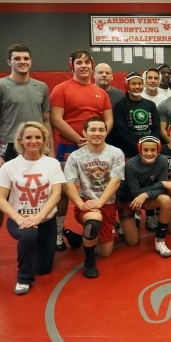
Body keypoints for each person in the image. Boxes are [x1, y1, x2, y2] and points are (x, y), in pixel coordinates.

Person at [0, 44, 54, 271]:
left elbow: (46, 120)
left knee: (46, 192)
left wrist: (49, 148)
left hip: (38, 147)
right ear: (9, 62)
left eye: (26, 58)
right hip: (12, 148)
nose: (22, 61)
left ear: (31, 61)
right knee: (0, 201)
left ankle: (49, 235)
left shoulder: (41, 86)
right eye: (17, 58)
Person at [0, 122, 65, 294]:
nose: (34, 141)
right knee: (28, 232)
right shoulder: (9, 167)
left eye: (38, 137)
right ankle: (23, 279)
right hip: (20, 220)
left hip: (46, 220)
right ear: (21, 140)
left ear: (44, 140)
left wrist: (39, 217)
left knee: (43, 269)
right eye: (29, 137)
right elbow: (0, 199)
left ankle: (43, 244)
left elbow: (56, 194)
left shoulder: (52, 164)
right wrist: (18, 219)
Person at [50, 49, 113, 251]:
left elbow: (108, 119)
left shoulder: (101, 92)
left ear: (92, 64)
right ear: (72, 65)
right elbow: (56, 119)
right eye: (80, 62)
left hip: (96, 148)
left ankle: (99, 220)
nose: (84, 66)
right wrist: (79, 139)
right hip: (69, 146)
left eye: (87, 62)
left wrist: (97, 138)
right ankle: (58, 233)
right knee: (62, 190)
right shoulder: (61, 89)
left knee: (99, 183)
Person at [62, 117, 125, 278]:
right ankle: (89, 260)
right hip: (86, 203)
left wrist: (100, 201)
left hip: (107, 202)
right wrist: (81, 205)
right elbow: (68, 184)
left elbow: (115, 181)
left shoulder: (116, 153)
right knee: (93, 220)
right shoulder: (76, 156)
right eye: (92, 130)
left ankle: (77, 238)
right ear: (84, 132)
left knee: (104, 252)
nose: (97, 133)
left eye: (101, 130)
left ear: (106, 132)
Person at [116, 136, 171, 257]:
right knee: (133, 242)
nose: (149, 153)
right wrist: (161, 183)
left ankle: (160, 241)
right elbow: (136, 193)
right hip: (128, 200)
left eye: (153, 150)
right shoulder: (130, 166)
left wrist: (146, 194)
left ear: (158, 150)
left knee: (165, 200)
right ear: (139, 150)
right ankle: (134, 217)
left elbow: (163, 189)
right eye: (145, 150)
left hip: (144, 198)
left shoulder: (162, 160)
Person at [112, 71, 161, 158]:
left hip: (149, 151)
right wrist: (139, 147)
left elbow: (156, 129)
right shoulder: (120, 106)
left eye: (139, 84)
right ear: (127, 85)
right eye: (133, 84)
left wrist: (149, 147)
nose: (137, 86)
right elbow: (122, 132)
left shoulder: (150, 104)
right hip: (129, 152)